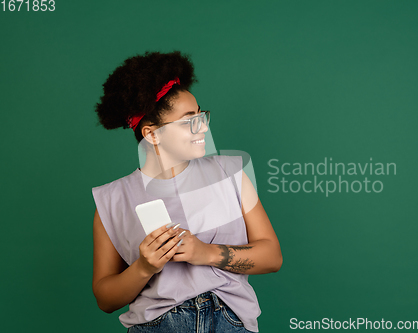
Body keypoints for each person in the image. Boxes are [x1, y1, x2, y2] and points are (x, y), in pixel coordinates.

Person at [91, 51, 282, 333]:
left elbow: (272, 257)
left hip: (230, 322)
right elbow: (105, 299)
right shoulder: (112, 200)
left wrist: (206, 253)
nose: (203, 126)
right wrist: (144, 267)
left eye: (201, 115)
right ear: (152, 134)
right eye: (189, 120)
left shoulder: (231, 173)